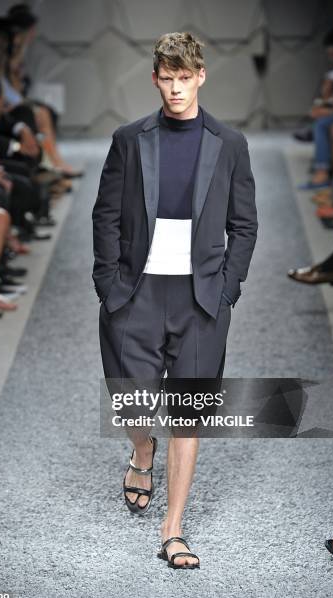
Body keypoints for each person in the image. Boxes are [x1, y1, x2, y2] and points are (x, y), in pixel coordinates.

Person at [92, 32, 257, 569]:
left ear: (201, 76)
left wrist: (227, 291)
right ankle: (142, 451)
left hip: (201, 297)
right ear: (156, 77)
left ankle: (174, 529)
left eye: (185, 78)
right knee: (132, 401)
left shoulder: (228, 144)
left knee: (188, 413)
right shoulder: (129, 138)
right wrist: (108, 284)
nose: (176, 88)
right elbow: (106, 214)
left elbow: (244, 225)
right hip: (136, 292)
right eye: (167, 78)